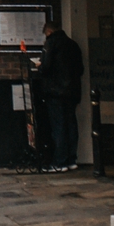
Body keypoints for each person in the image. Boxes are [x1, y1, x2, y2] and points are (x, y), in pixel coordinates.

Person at [39, 21, 84, 172]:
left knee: (58, 127)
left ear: (49, 32)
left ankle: (59, 162)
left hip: (55, 92)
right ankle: (72, 159)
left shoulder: (51, 44)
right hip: (72, 91)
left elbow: (45, 67)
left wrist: (39, 66)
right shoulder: (73, 44)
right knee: (71, 125)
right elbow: (80, 69)